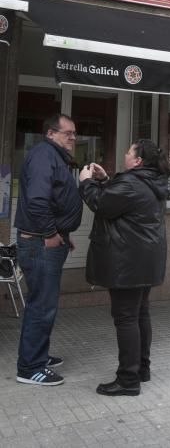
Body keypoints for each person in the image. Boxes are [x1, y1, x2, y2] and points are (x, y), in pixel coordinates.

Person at [79, 139, 170, 397]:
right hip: (144, 260)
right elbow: (119, 200)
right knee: (140, 314)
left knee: (126, 318)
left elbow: (102, 205)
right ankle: (141, 368)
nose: (125, 154)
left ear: (138, 160)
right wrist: (106, 179)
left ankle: (128, 380)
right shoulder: (148, 180)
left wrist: (86, 181)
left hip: (128, 261)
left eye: (129, 151)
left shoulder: (131, 182)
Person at [15, 113, 83, 386]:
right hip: (40, 242)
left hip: (48, 240)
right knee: (41, 306)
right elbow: (38, 201)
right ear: (51, 133)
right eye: (69, 133)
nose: (74, 138)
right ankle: (30, 367)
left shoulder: (54, 157)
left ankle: (37, 355)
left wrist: (63, 233)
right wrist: (51, 233)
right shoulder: (44, 155)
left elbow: (55, 200)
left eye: (75, 133)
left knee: (44, 303)